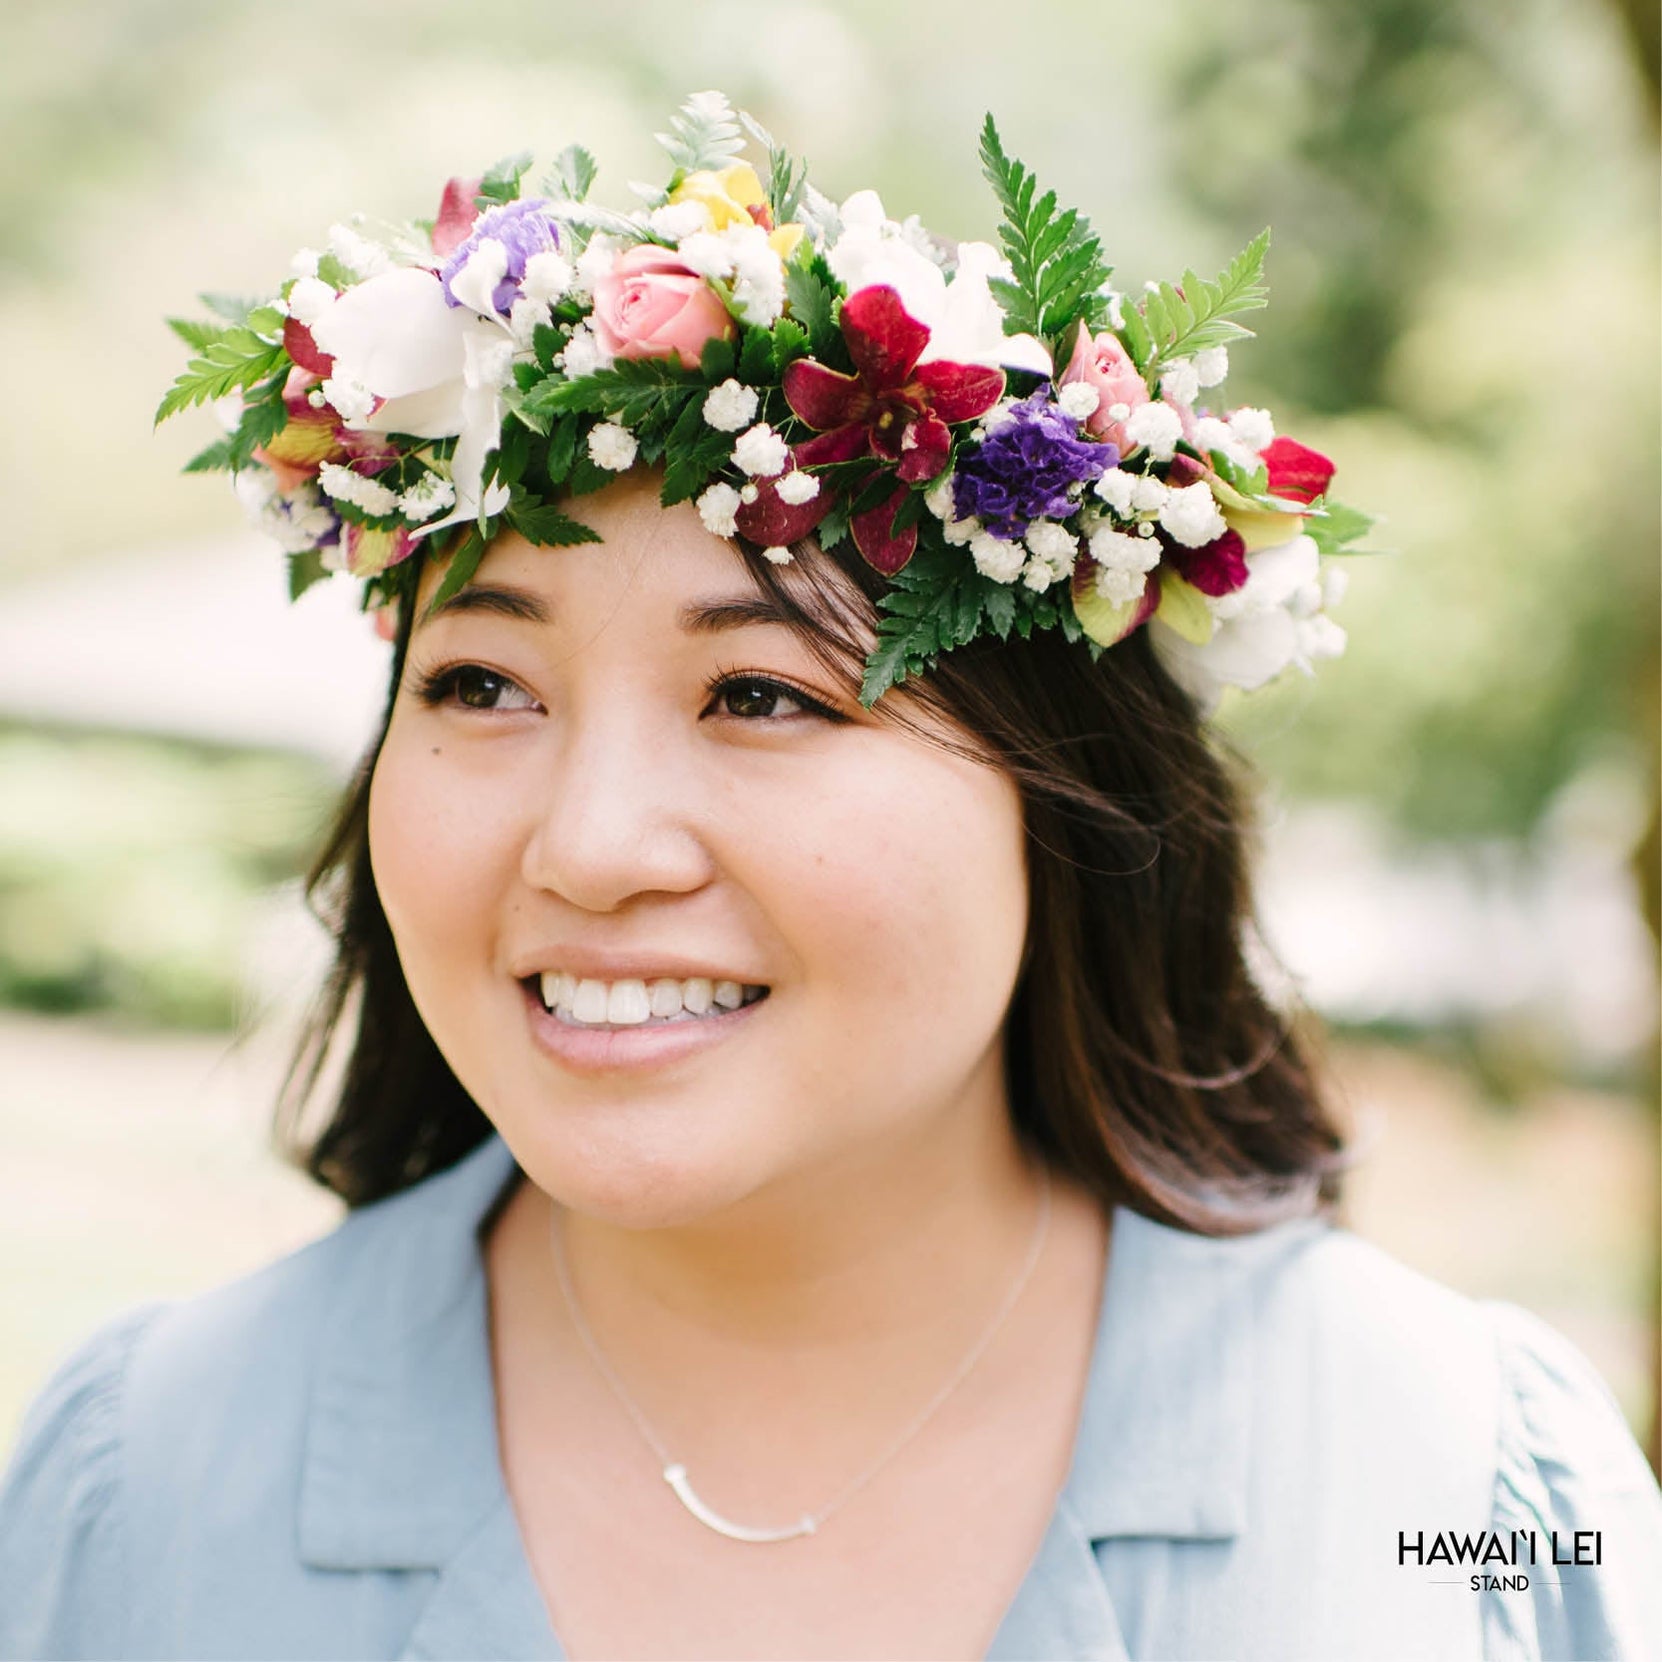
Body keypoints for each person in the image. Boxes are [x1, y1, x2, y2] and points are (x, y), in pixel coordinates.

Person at [3, 92, 1659, 1662]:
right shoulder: (141, 1485)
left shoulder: (1462, 1487)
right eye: (483, 686)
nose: (588, 844)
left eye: (764, 695)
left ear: (1065, 793)